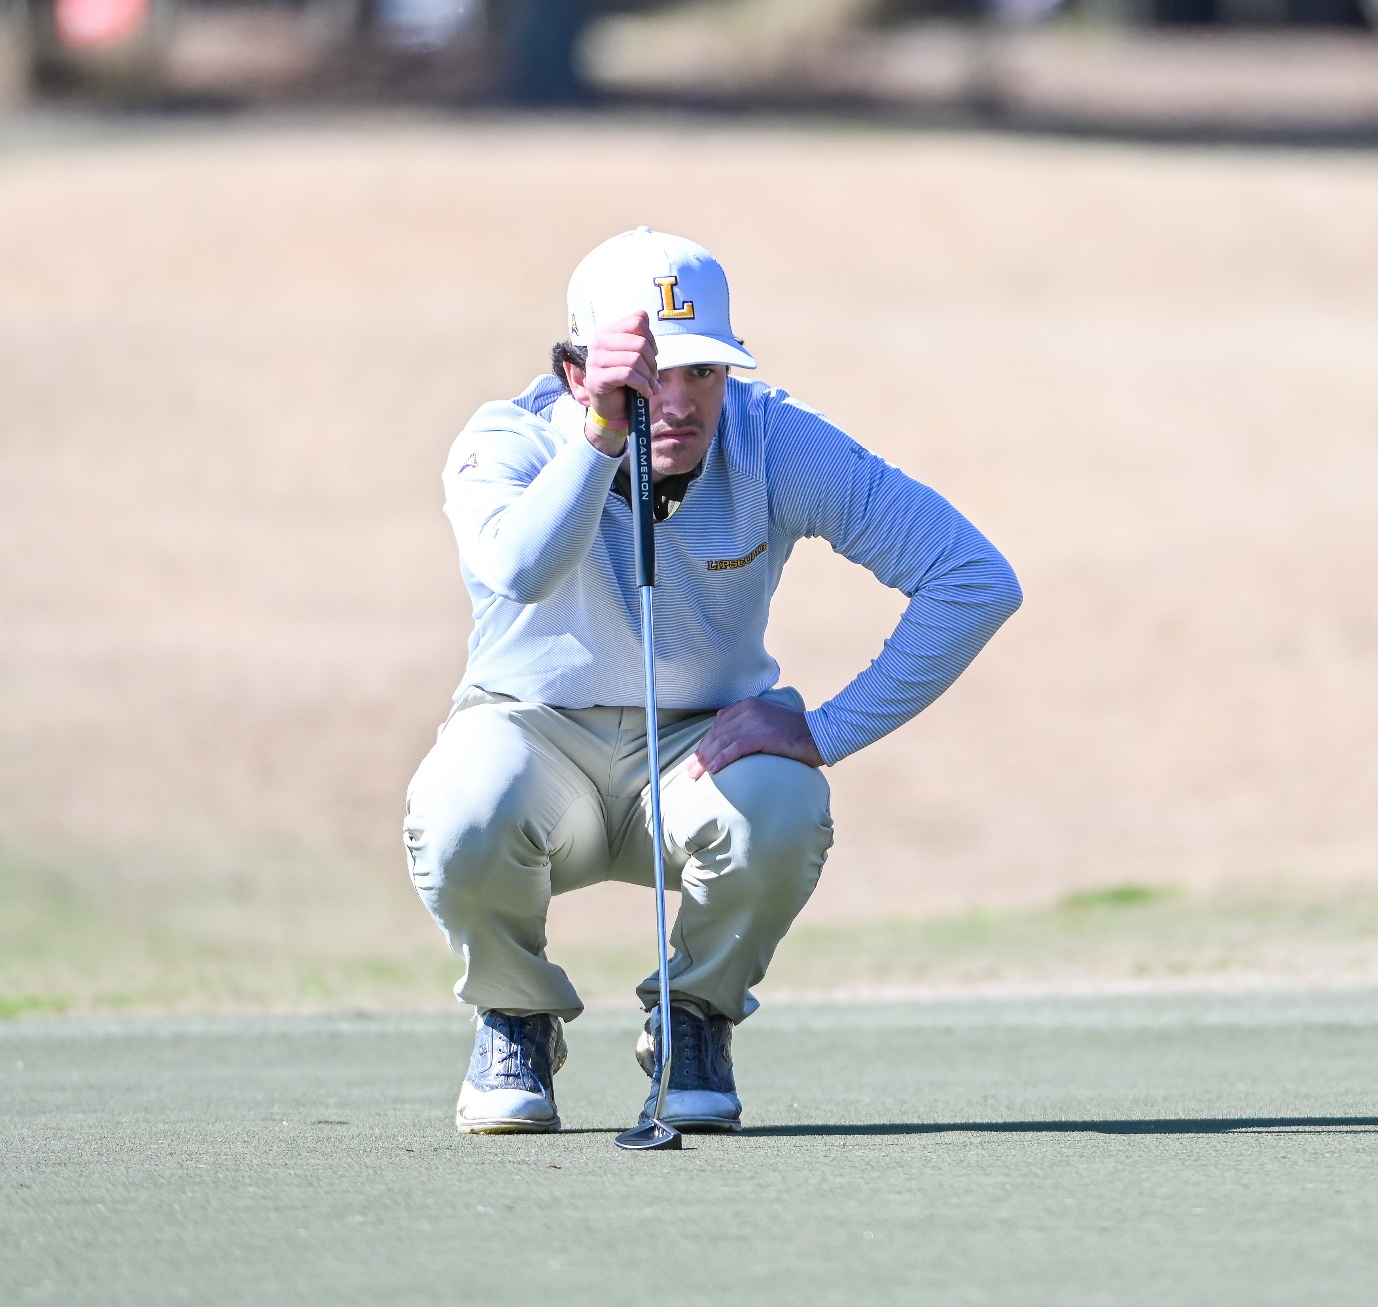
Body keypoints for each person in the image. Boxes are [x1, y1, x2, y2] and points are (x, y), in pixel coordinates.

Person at [403, 228, 1022, 1134]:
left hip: (699, 754)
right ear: (576, 373)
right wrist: (602, 438)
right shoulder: (507, 439)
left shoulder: (774, 439)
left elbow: (973, 578)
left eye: (706, 373)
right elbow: (521, 570)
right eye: (655, 375)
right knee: (461, 805)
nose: (684, 402)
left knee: (783, 800)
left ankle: (694, 1017)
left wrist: (827, 729)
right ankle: (516, 1015)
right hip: (533, 739)